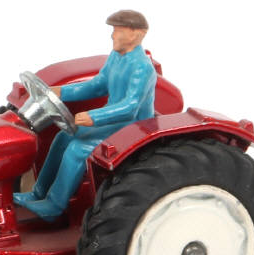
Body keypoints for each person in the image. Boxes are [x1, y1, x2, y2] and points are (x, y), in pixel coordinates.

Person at [15, 10, 156, 221]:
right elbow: (97, 85)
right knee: (63, 137)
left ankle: (54, 206)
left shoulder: (142, 68)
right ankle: (38, 192)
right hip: (114, 120)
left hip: (132, 127)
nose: (113, 35)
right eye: (114, 30)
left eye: (118, 30)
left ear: (137, 34)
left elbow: (130, 107)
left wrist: (94, 117)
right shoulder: (116, 57)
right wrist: (62, 92)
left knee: (78, 149)